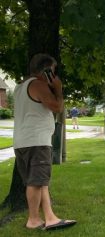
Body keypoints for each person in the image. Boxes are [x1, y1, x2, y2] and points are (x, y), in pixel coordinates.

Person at [13, 53, 77, 231]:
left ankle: (50, 217)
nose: (55, 74)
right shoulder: (38, 84)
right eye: (53, 71)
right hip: (37, 141)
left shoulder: (20, 87)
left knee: (40, 181)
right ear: (47, 70)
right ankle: (33, 220)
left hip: (23, 141)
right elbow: (57, 107)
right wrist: (58, 89)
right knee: (36, 182)